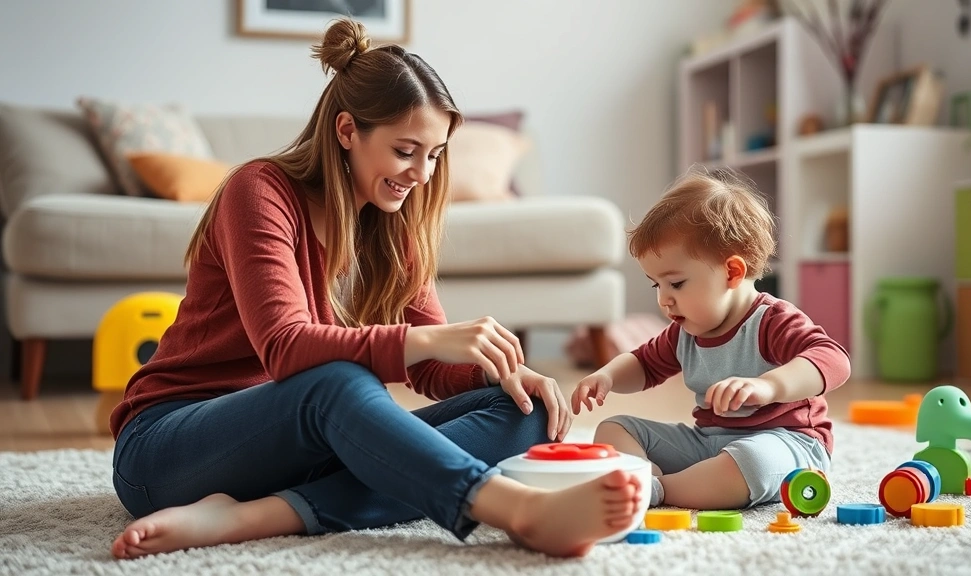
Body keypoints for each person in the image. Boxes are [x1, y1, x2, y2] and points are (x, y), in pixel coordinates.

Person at [108, 19, 642, 560]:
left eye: (434, 156)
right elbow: (286, 346)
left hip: (297, 453)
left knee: (525, 409)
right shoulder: (260, 190)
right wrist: (430, 341)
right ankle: (516, 509)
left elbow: (434, 372)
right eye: (406, 150)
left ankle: (259, 515)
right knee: (334, 380)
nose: (422, 174)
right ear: (347, 131)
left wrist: (498, 372)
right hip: (169, 451)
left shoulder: (392, 225)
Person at [570, 167, 850, 511]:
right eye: (657, 285)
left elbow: (833, 358)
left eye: (676, 283)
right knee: (614, 429)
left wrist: (769, 386)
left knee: (752, 463)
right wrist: (607, 376)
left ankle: (657, 490)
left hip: (788, 443)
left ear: (732, 272)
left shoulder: (772, 320)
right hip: (709, 442)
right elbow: (643, 364)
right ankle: (654, 480)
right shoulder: (685, 331)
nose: (663, 299)